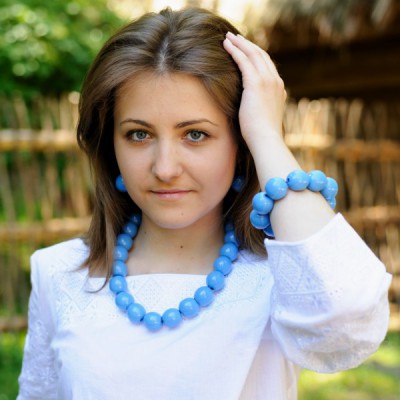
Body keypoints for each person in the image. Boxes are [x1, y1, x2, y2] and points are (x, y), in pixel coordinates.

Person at [18, 7, 391, 400]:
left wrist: (265, 133)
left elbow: (349, 320)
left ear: (240, 143)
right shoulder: (58, 274)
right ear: (111, 146)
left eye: (195, 134)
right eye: (139, 135)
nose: (164, 168)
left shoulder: (283, 280)